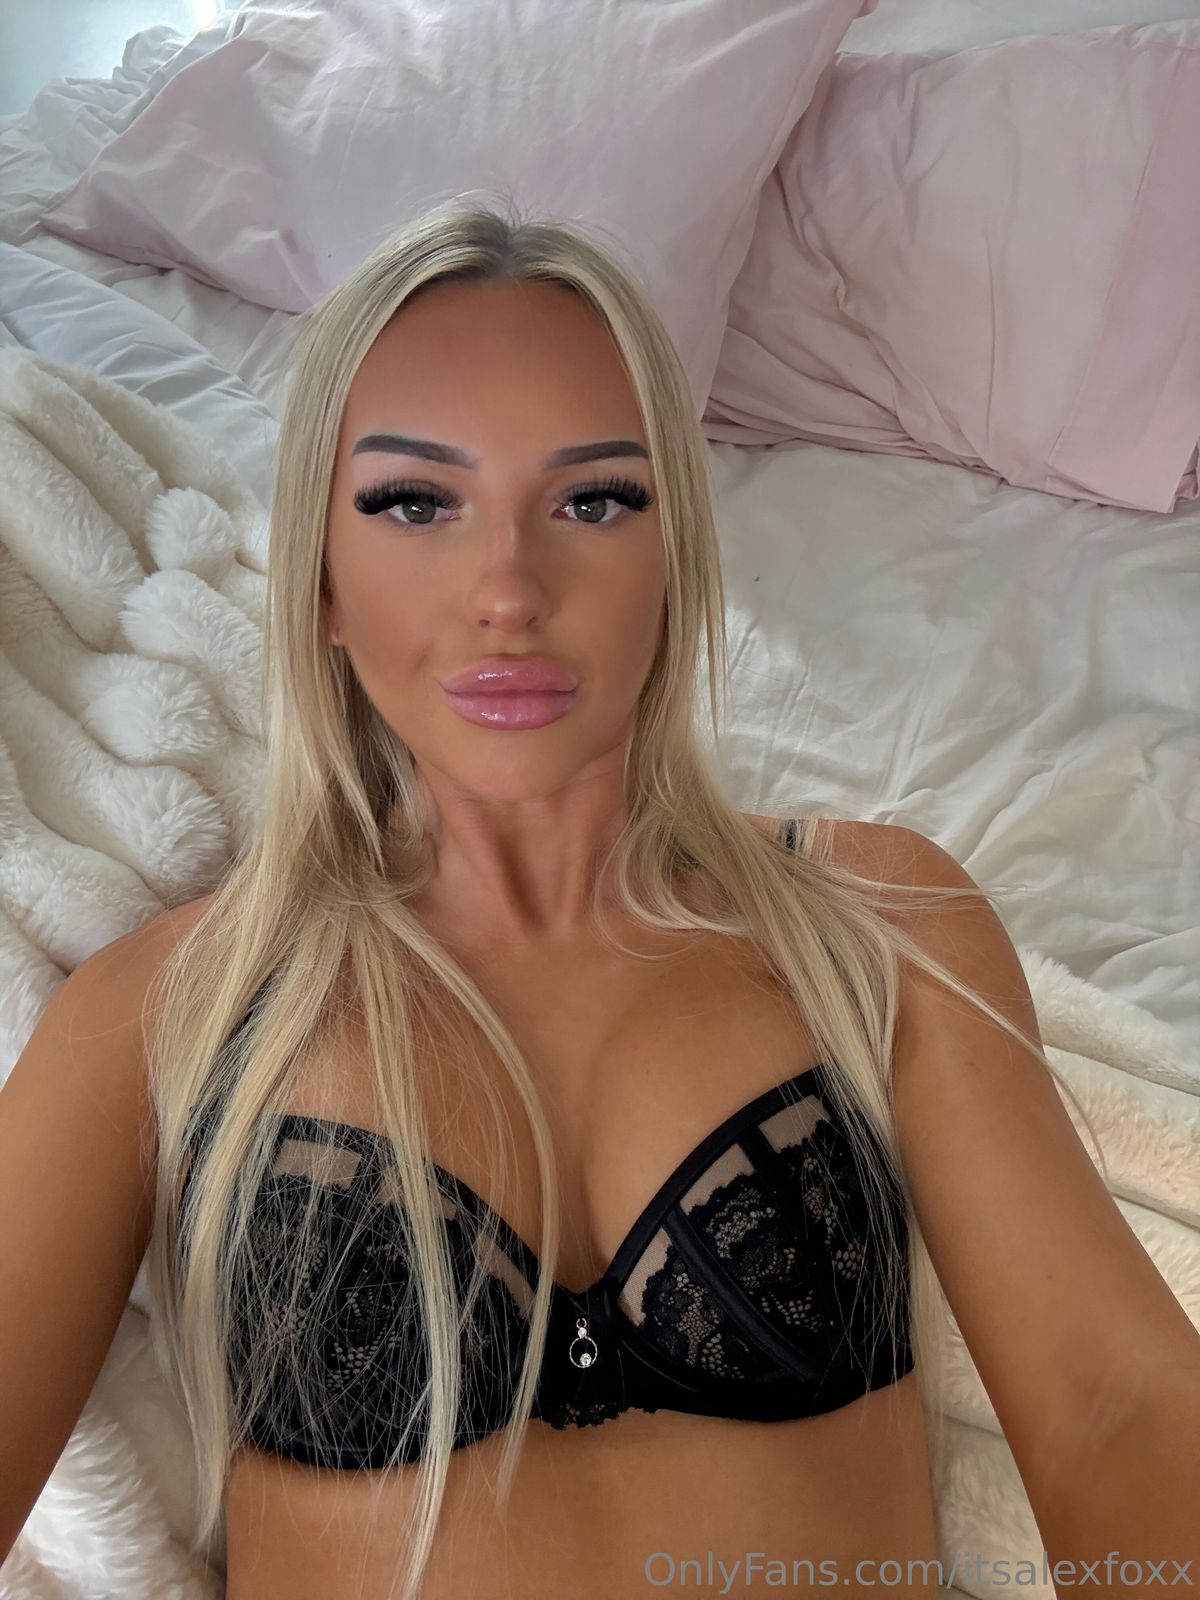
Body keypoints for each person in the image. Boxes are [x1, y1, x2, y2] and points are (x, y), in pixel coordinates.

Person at [4, 198, 1197, 1600]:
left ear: (674, 556)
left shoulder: (882, 927)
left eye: (593, 501)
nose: (509, 590)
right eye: (415, 504)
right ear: (322, 580)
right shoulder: (165, 1014)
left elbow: (1116, 1407)